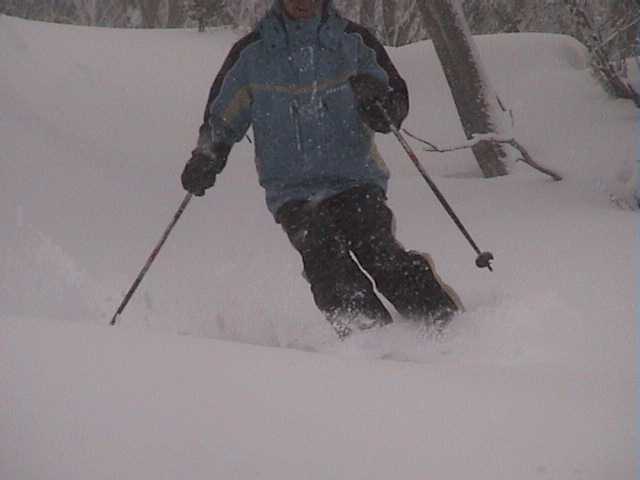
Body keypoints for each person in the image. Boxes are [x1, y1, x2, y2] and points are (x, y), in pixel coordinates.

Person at [181, 0, 462, 339]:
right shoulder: (252, 55)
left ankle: (444, 322)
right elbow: (222, 120)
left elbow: (393, 102)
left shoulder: (353, 42)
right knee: (325, 262)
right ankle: (368, 338)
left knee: (378, 251)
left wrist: (382, 106)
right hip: (293, 192)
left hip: (355, 180)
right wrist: (206, 159)